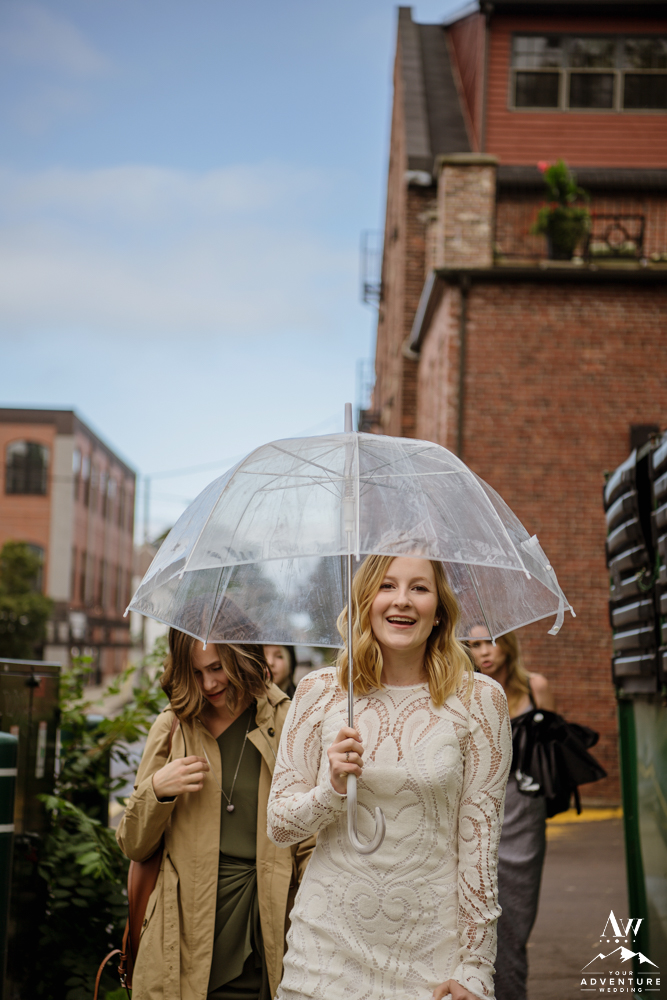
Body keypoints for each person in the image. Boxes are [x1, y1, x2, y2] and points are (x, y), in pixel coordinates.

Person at [267, 555, 512, 1000]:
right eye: (386, 586)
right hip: (323, 954)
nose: (402, 601)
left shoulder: (480, 699)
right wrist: (332, 789)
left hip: (431, 956)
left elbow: (480, 847)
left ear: (439, 610)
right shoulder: (321, 691)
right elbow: (280, 826)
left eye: (419, 588)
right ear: (365, 601)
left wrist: (476, 967)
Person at [116, 630, 313, 1000]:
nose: (208, 684)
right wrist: (157, 789)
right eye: (194, 673)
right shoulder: (174, 725)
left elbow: (310, 840)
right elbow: (133, 844)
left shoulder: (287, 721)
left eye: (217, 668)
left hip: (271, 918)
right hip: (187, 925)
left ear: (241, 656)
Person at [466, 628, 555, 1000]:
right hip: (479, 808)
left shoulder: (536, 686)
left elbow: (551, 750)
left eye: (491, 642)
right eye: (474, 645)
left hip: (525, 811)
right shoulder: (468, 692)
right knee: (476, 910)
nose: (484, 652)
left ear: (508, 643)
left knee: (515, 919)